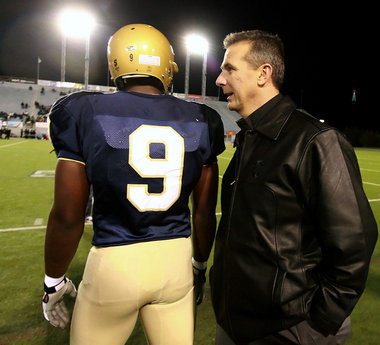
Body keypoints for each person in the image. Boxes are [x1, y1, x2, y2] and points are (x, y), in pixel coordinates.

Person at [42, 24, 225, 345]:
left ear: (115, 63)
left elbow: (68, 215)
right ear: (168, 67)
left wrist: (53, 281)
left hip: (114, 265)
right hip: (175, 266)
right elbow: (204, 213)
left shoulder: (83, 110)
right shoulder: (203, 118)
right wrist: (199, 265)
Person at [210, 29, 378, 345]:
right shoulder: (250, 137)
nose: (219, 79)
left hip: (290, 329)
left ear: (263, 74)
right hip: (235, 322)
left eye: (229, 69)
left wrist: (319, 321)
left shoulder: (315, 140)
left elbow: (355, 241)